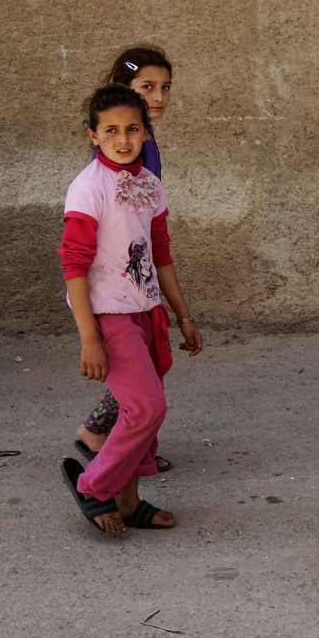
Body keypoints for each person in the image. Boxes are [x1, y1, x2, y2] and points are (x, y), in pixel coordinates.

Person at [59, 85, 204, 536]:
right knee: (146, 407)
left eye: (133, 129)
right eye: (111, 131)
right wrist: (89, 337)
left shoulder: (151, 186)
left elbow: (161, 254)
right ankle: (93, 484)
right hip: (110, 316)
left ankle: (129, 501)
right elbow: (73, 265)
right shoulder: (88, 189)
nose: (123, 140)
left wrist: (182, 314)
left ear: (146, 132)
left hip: (147, 312)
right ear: (93, 135)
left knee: (137, 410)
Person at [73, 46, 177, 472]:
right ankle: (101, 466)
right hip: (114, 292)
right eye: (146, 87)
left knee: (144, 374)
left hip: (141, 289)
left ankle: (115, 444)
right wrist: (87, 334)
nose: (158, 97)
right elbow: (79, 252)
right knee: (139, 384)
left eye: (165, 88)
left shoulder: (143, 156)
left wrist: (177, 308)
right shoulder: (103, 173)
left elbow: (155, 233)